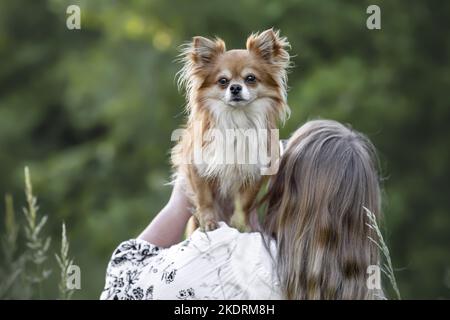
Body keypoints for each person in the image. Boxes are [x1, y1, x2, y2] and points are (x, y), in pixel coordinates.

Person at [100, 120, 384, 300]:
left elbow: (122, 288)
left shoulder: (227, 254)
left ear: (286, 189)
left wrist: (181, 202)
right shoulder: (369, 291)